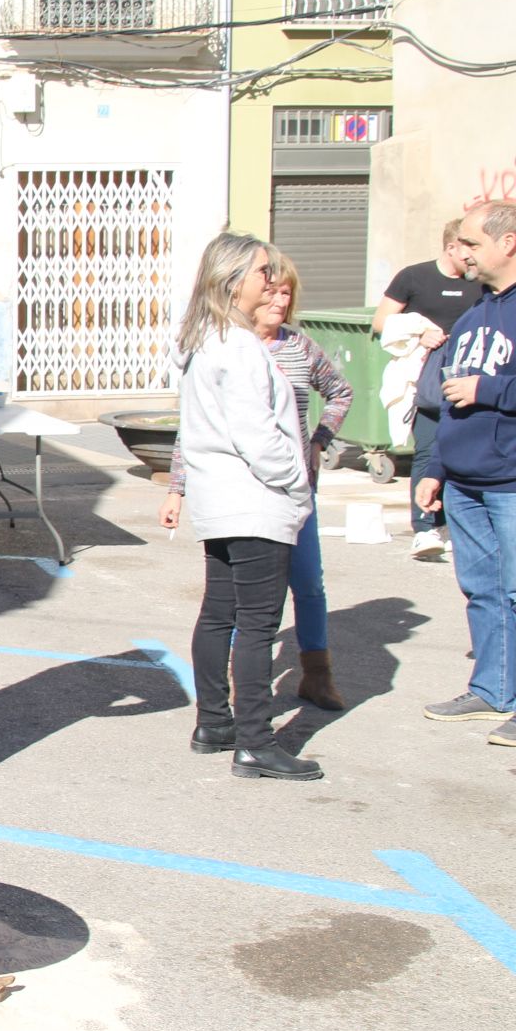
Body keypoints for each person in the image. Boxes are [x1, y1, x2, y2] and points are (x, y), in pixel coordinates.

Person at [162, 249, 353, 711]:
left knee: (301, 586)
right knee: (253, 621)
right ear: (236, 284)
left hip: (262, 495)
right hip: (262, 495)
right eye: (267, 281)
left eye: (283, 290)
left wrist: (319, 440)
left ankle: (304, 679)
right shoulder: (236, 347)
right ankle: (251, 731)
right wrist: (291, 480)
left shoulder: (287, 346)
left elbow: (339, 392)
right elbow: (244, 433)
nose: (275, 295)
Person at [414, 200, 516, 748]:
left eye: (473, 244)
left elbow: (475, 391)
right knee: (482, 589)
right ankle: (493, 691)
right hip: (466, 480)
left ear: (509, 243)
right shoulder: (475, 314)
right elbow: (449, 401)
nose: (462, 255)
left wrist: (490, 390)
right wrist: (436, 468)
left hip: (511, 480)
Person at [376, 219, 487, 562]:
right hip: (427, 377)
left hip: (470, 377)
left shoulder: (480, 283)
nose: (471, 256)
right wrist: (419, 332)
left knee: (465, 451)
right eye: (466, 247)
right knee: (427, 450)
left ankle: (453, 526)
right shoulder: (414, 277)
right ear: (451, 247)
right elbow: (381, 322)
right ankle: (424, 526)